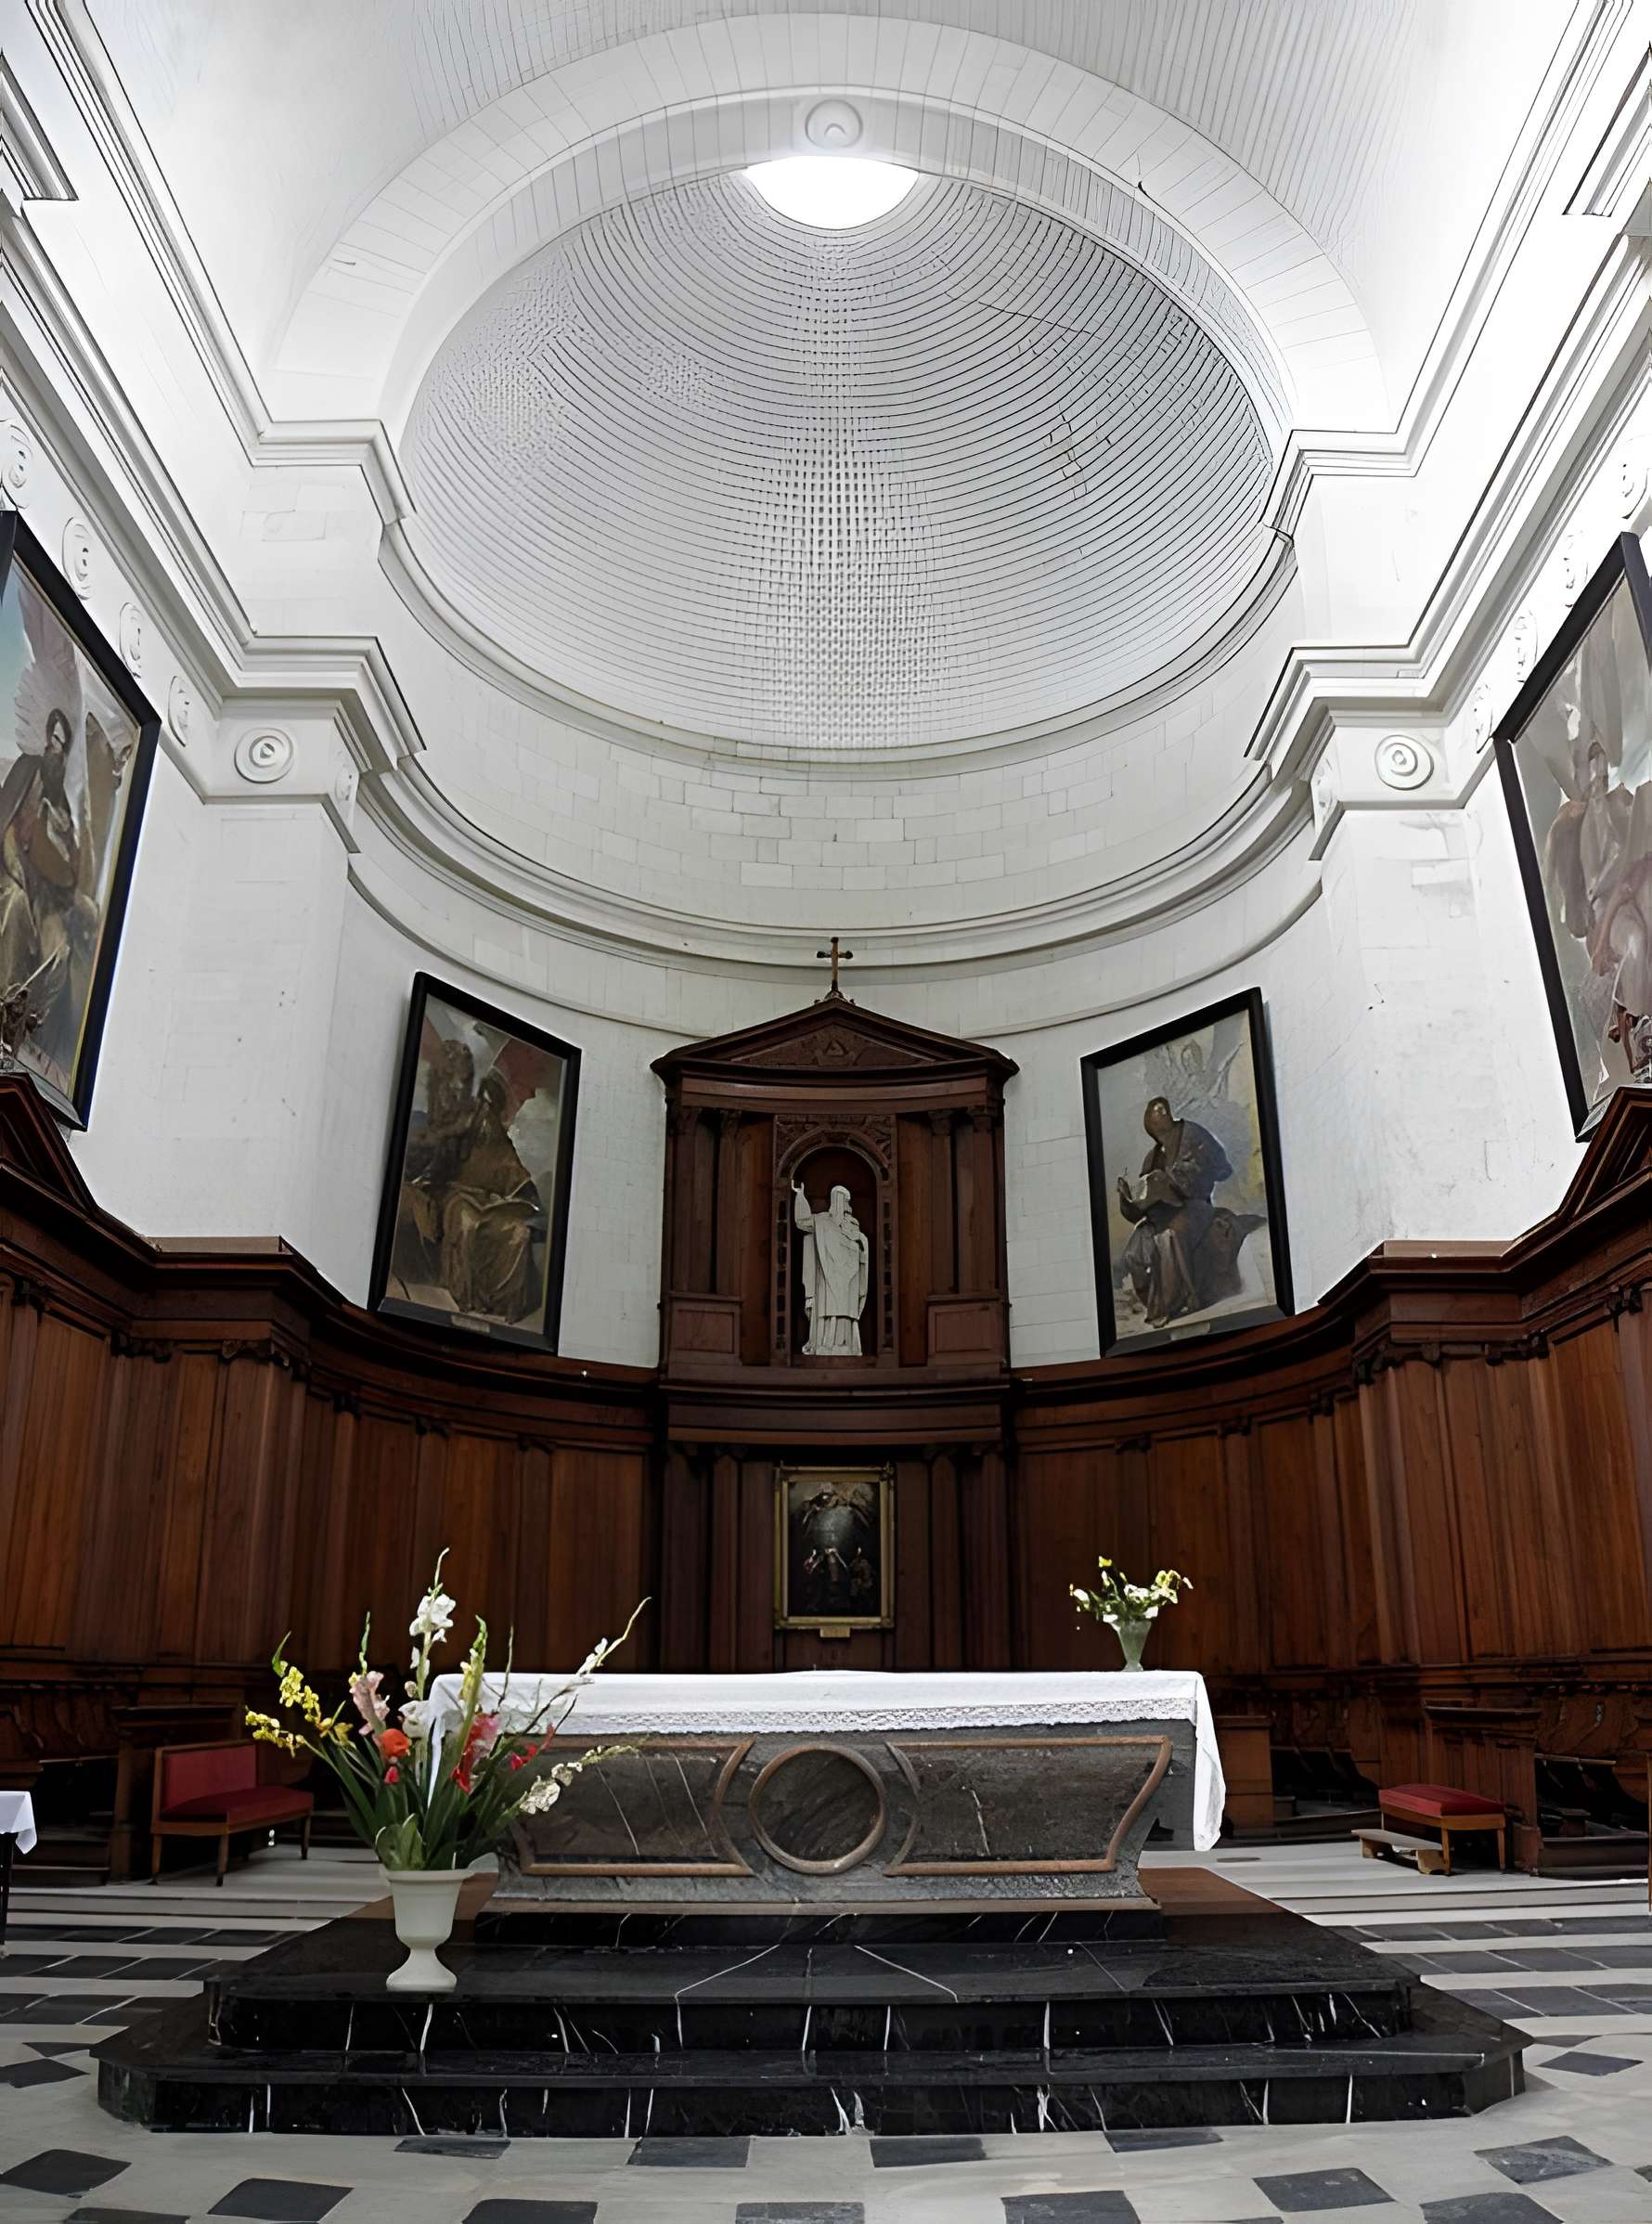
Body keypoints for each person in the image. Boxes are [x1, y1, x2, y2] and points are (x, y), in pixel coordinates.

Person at [1116, 1097, 1233, 1327]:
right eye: (1154, 1111)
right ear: (1148, 1124)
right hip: (1158, 1215)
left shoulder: (1192, 1133)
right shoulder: (1152, 1157)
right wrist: (1126, 1197)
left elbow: (1221, 1167)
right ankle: (1154, 1304)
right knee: (1133, 1253)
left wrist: (1171, 1179)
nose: (1160, 1113)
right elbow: (1138, 1208)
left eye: (1163, 1109)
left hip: (1194, 1205)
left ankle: (1170, 1305)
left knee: (1170, 1236)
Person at [792, 1179, 869, 1355]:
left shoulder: (852, 1225)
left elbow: (861, 1247)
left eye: (847, 1201)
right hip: (827, 1274)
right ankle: (824, 1342)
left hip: (849, 1276)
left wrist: (860, 1243)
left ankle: (847, 1343)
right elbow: (802, 1222)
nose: (845, 1204)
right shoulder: (823, 1220)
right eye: (842, 1199)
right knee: (829, 1309)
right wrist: (800, 1195)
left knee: (845, 1312)